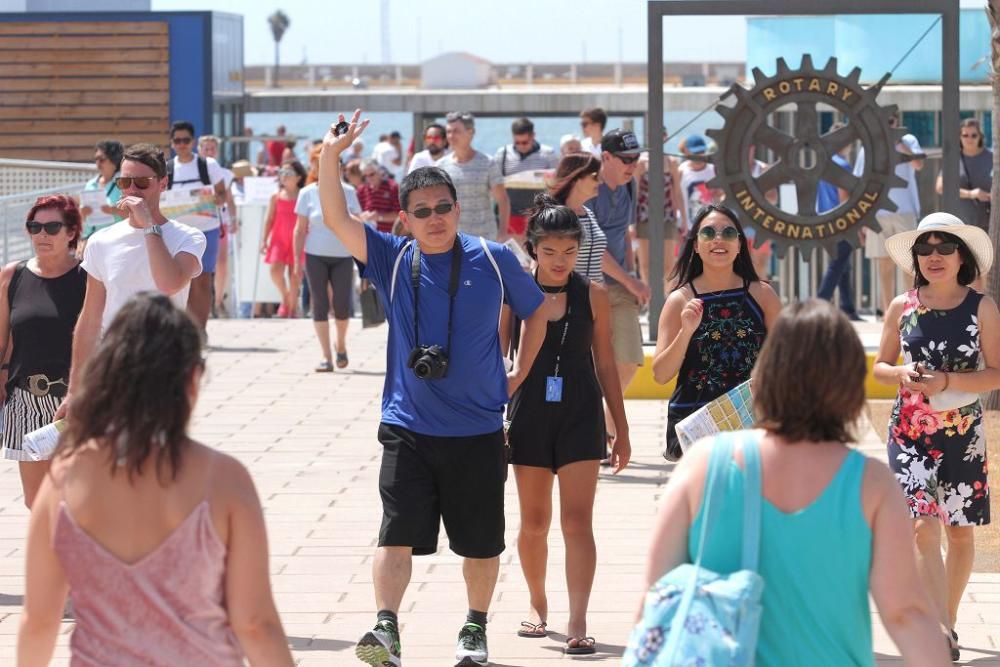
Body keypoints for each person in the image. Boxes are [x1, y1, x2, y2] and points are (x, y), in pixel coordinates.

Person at [318, 110, 548, 667]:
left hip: (478, 428)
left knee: (481, 543)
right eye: (422, 212)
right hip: (408, 426)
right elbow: (335, 216)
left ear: (457, 207)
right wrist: (331, 157)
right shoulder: (392, 259)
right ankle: (386, 630)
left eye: (444, 207)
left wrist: (519, 371)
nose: (436, 218)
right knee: (394, 534)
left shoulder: (493, 259)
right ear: (406, 219)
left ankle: (474, 629)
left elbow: (536, 312)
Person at [642, 299, 950, 666]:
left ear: (767, 373)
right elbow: (906, 613)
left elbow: (655, 597)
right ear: (848, 384)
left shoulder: (702, 465)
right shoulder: (871, 484)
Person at [17, 293, 294, 667]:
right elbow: (255, 624)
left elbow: (38, 623)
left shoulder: (64, 480)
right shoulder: (225, 480)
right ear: (192, 379)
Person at [504, 195, 631, 655]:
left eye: (569, 252)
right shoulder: (515, 292)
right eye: (550, 251)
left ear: (580, 251)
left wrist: (621, 425)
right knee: (534, 523)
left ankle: (578, 618)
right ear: (534, 248)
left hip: (580, 413)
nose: (560, 261)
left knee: (578, 523)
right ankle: (539, 605)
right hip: (530, 414)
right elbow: (498, 359)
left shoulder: (593, 294)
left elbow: (606, 364)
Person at [873, 212, 999, 661]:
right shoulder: (901, 306)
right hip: (909, 432)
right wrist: (901, 372)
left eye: (944, 247)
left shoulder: (981, 307)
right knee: (921, 527)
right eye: (924, 249)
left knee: (959, 534)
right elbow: (880, 366)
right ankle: (938, 629)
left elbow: (996, 374)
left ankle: (946, 621)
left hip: (963, 435)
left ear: (960, 255)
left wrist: (946, 382)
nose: (934, 256)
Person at [56, 143, 206, 421]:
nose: (133, 191)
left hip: (165, 366)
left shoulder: (188, 237)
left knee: (155, 457)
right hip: (113, 364)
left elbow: (169, 283)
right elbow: (89, 319)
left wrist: (149, 225)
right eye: (125, 182)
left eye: (142, 182)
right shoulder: (102, 240)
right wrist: (74, 390)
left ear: (163, 184)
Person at [652, 204, 780, 460]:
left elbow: (785, 359)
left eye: (729, 233)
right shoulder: (679, 300)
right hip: (698, 422)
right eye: (708, 233)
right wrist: (685, 332)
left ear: (740, 244)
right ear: (696, 245)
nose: (718, 239)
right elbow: (661, 374)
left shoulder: (763, 295)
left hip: (753, 418)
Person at [0, 196, 86, 508]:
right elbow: (2, 341)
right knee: (36, 501)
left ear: (72, 232)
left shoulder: (89, 278)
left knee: (74, 497)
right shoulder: (13, 275)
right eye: (34, 227)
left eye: (51, 227)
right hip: (24, 400)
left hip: (72, 402)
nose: (41, 235)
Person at [587, 129, 651, 456]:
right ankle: (599, 430)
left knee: (629, 359)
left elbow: (624, 233)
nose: (632, 165)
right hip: (589, 287)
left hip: (621, 282)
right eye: (626, 159)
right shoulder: (589, 190)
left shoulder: (629, 185)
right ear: (606, 157)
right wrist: (632, 281)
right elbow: (594, 248)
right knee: (591, 365)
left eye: (636, 159)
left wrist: (633, 274)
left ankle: (603, 423)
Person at [294, 149, 362, 372]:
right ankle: (326, 356)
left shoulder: (349, 191)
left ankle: (340, 344)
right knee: (319, 304)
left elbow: (357, 223)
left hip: (343, 254)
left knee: (342, 304)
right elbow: (300, 229)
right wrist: (296, 260)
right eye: (319, 164)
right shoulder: (307, 193)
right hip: (315, 254)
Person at [854, 111, 924, 315]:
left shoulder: (909, 140)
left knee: (908, 264)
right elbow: (861, 183)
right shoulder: (870, 145)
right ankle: (888, 313)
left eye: (892, 120)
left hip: (906, 211)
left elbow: (918, 164)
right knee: (884, 266)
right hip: (878, 212)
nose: (889, 124)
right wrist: (862, 218)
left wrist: (900, 142)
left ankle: (911, 311)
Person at [165, 121, 229, 331]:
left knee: (202, 280)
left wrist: (215, 199)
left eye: (185, 140)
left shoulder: (208, 165)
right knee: (179, 281)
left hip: (206, 229)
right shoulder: (167, 168)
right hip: (177, 232)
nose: (182, 144)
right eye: (177, 141)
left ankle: (200, 331)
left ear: (192, 142)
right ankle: (183, 329)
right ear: (172, 143)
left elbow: (222, 193)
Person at [437, 111, 511, 241]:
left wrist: (503, 232)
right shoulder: (440, 166)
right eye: (448, 132)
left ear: (470, 132)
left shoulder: (488, 163)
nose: (451, 136)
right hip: (453, 240)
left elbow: (502, 200)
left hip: (485, 240)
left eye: (456, 131)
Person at [816, 123, 862, 320]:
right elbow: (845, 196)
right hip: (841, 221)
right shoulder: (842, 165)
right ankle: (820, 304)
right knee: (837, 264)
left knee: (843, 264)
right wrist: (855, 224)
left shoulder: (824, 163)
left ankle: (847, 307)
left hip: (825, 220)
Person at [494, 117, 560, 241]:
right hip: (511, 216)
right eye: (517, 142)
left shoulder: (548, 154)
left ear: (533, 136)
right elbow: (495, 184)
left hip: (539, 215)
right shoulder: (502, 154)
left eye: (525, 142)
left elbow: (556, 184)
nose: (521, 146)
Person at [635, 132, 686, 289]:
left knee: (669, 263)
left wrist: (683, 218)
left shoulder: (671, 162)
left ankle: (667, 297)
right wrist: (631, 221)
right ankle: (648, 298)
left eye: (661, 135)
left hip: (667, 215)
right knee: (644, 262)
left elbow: (677, 192)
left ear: (665, 137)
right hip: (643, 215)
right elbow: (635, 192)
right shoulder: (641, 162)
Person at [198, 134, 238, 318]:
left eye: (212, 148)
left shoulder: (224, 173)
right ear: (200, 150)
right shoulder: (194, 170)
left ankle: (218, 300)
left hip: (219, 220)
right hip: (196, 219)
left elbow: (229, 199)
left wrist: (233, 219)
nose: (209, 152)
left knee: (221, 263)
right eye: (205, 148)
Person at [549, 153, 605, 284]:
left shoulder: (589, 213)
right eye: (595, 176)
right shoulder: (557, 216)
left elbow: (596, 260)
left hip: (594, 298)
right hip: (568, 297)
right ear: (576, 178)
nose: (601, 181)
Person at [261, 160, 307, 318]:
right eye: (282, 173)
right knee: (275, 271)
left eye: (288, 173)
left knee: (295, 276)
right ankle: (286, 298)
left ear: (299, 177)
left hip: (298, 239)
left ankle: (292, 309)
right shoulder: (276, 196)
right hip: (278, 239)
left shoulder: (304, 195)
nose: (284, 176)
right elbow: (269, 219)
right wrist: (263, 240)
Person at [935, 118, 992, 233]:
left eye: (973, 135)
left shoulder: (992, 158)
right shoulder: (952, 159)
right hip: (958, 225)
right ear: (960, 137)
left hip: (989, 224)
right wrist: (971, 194)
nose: (969, 139)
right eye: (965, 135)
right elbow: (940, 188)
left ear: (980, 136)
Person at [78, 140, 124, 255]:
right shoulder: (90, 184)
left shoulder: (124, 183)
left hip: (115, 242)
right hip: (90, 241)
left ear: (114, 161)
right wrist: (82, 212)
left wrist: (112, 210)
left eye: (102, 159)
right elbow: (81, 219)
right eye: (96, 159)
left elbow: (133, 213)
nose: (98, 163)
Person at [357, 158, 401, 234]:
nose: (369, 178)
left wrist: (379, 217)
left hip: (390, 236)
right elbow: (357, 213)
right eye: (365, 176)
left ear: (379, 172)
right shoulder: (361, 190)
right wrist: (362, 216)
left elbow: (399, 215)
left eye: (372, 174)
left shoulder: (393, 187)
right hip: (369, 236)